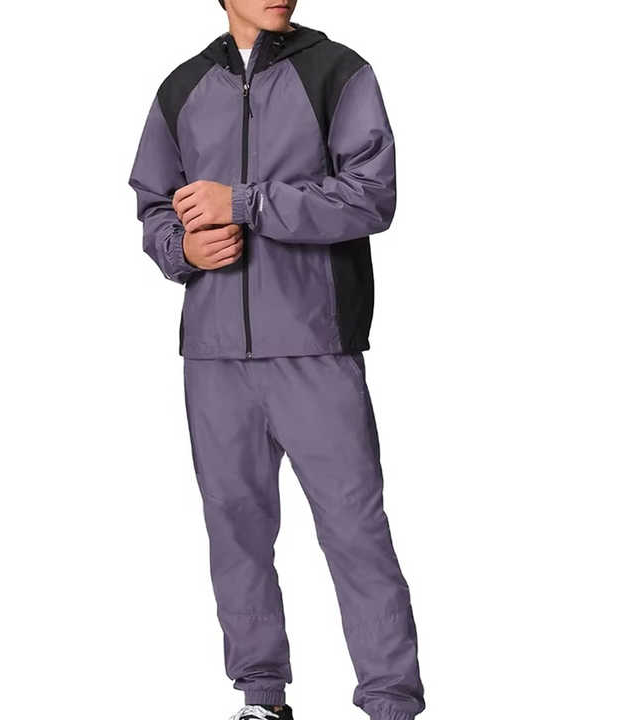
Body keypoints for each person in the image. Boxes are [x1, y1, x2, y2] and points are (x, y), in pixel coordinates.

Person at [128, 1, 425, 719]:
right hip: (213, 353)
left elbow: (371, 197)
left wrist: (246, 203)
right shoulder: (181, 86)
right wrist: (181, 249)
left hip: (315, 342)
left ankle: (390, 701)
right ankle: (261, 696)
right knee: (235, 530)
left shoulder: (339, 72)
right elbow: (154, 204)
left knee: (354, 528)